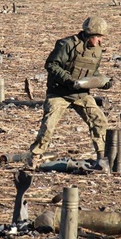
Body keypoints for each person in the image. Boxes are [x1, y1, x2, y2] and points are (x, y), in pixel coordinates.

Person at [27, 16, 113, 170]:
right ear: (89, 34)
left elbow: (93, 72)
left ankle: (101, 158)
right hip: (59, 93)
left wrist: (103, 82)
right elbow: (51, 65)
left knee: (99, 121)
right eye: (98, 37)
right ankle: (34, 157)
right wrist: (68, 80)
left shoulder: (97, 51)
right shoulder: (67, 45)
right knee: (48, 126)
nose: (101, 41)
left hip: (81, 94)